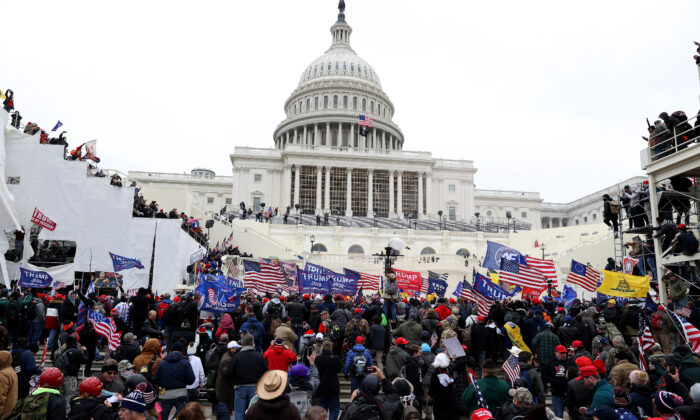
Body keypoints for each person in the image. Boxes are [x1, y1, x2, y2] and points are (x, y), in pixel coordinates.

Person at [226, 333, 267, 420]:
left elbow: (229, 373)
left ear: (243, 344)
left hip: (240, 387)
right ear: (253, 344)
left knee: (239, 413)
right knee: (254, 413)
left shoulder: (237, 357)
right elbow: (266, 372)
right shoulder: (259, 356)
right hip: (255, 388)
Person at [152, 340, 196, 419]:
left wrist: (163, 383)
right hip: (181, 393)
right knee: (181, 417)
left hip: (165, 393)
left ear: (171, 351)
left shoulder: (162, 363)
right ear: (182, 351)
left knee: (163, 417)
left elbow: (155, 379)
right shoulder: (185, 362)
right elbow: (191, 380)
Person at [541, 344, 573, 418]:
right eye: (561, 353)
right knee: (558, 415)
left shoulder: (571, 362)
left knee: (572, 414)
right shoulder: (549, 363)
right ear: (556, 353)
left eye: (564, 353)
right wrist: (553, 381)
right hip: (556, 392)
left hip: (569, 392)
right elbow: (544, 376)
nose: (563, 355)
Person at [315, 341, 342, 420]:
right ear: (331, 348)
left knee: (321, 410)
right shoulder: (336, 358)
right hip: (333, 387)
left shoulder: (318, 359)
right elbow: (339, 369)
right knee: (334, 409)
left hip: (321, 387)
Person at [0, 350, 17, 417]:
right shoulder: (11, 371)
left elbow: (1, 397)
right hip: (10, 410)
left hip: (3, 413)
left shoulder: (2, 374)